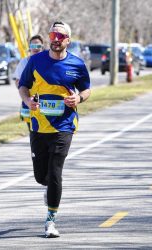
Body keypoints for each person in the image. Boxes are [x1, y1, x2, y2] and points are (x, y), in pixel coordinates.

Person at [18, 21, 91, 238]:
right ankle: (48, 189)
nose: (56, 40)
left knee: (56, 171)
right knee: (42, 176)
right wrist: (27, 100)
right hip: (39, 125)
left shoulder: (77, 64)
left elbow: (87, 89)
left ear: (68, 40)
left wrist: (78, 97)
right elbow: (23, 86)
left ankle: (50, 220)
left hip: (64, 125)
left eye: (61, 36)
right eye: (53, 35)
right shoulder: (35, 61)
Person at [13, 35, 44, 130]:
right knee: (32, 130)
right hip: (29, 102)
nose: (35, 49)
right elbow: (18, 81)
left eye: (38, 46)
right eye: (33, 46)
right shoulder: (24, 62)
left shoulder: (47, 62)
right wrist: (26, 95)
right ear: (29, 47)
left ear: (42, 47)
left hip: (44, 102)